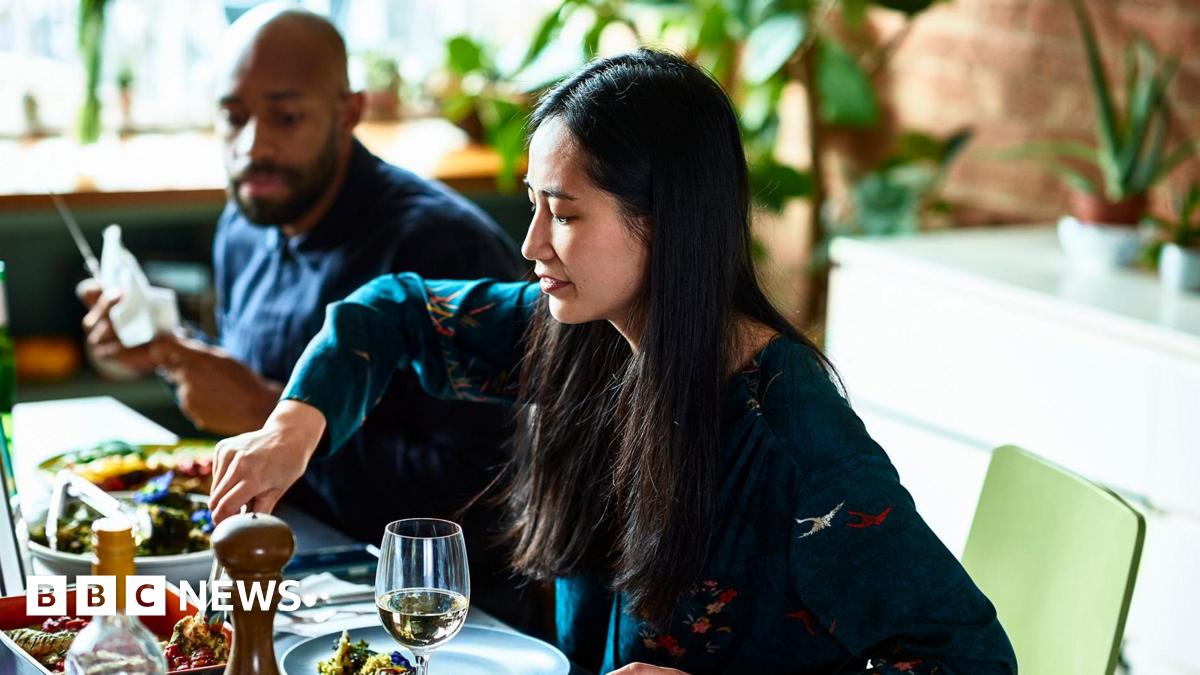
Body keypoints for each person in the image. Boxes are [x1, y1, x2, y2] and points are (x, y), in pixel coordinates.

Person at [208, 49, 1017, 674]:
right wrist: (291, 427)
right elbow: (396, 311)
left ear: (663, 223)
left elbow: (970, 659)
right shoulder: (582, 332)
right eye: (532, 206)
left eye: (562, 214)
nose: (530, 247)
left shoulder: (792, 438)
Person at [77, 8, 529, 625]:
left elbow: (476, 495)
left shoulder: (440, 246)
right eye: (234, 116)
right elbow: (256, 371)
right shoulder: (246, 221)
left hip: (426, 606)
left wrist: (266, 413)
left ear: (349, 113)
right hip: (283, 567)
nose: (253, 146)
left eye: (286, 117)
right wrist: (162, 350)